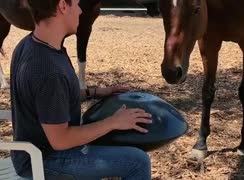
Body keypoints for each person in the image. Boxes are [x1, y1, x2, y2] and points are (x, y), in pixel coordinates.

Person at [10, 0, 152, 179]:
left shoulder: (33, 44)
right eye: (77, 4)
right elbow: (61, 140)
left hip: (39, 151)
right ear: (62, 6)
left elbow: (52, 97)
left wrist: (95, 92)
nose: (80, 11)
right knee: (137, 162)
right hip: (43, 160)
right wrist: (113, 122)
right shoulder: (48, 69)